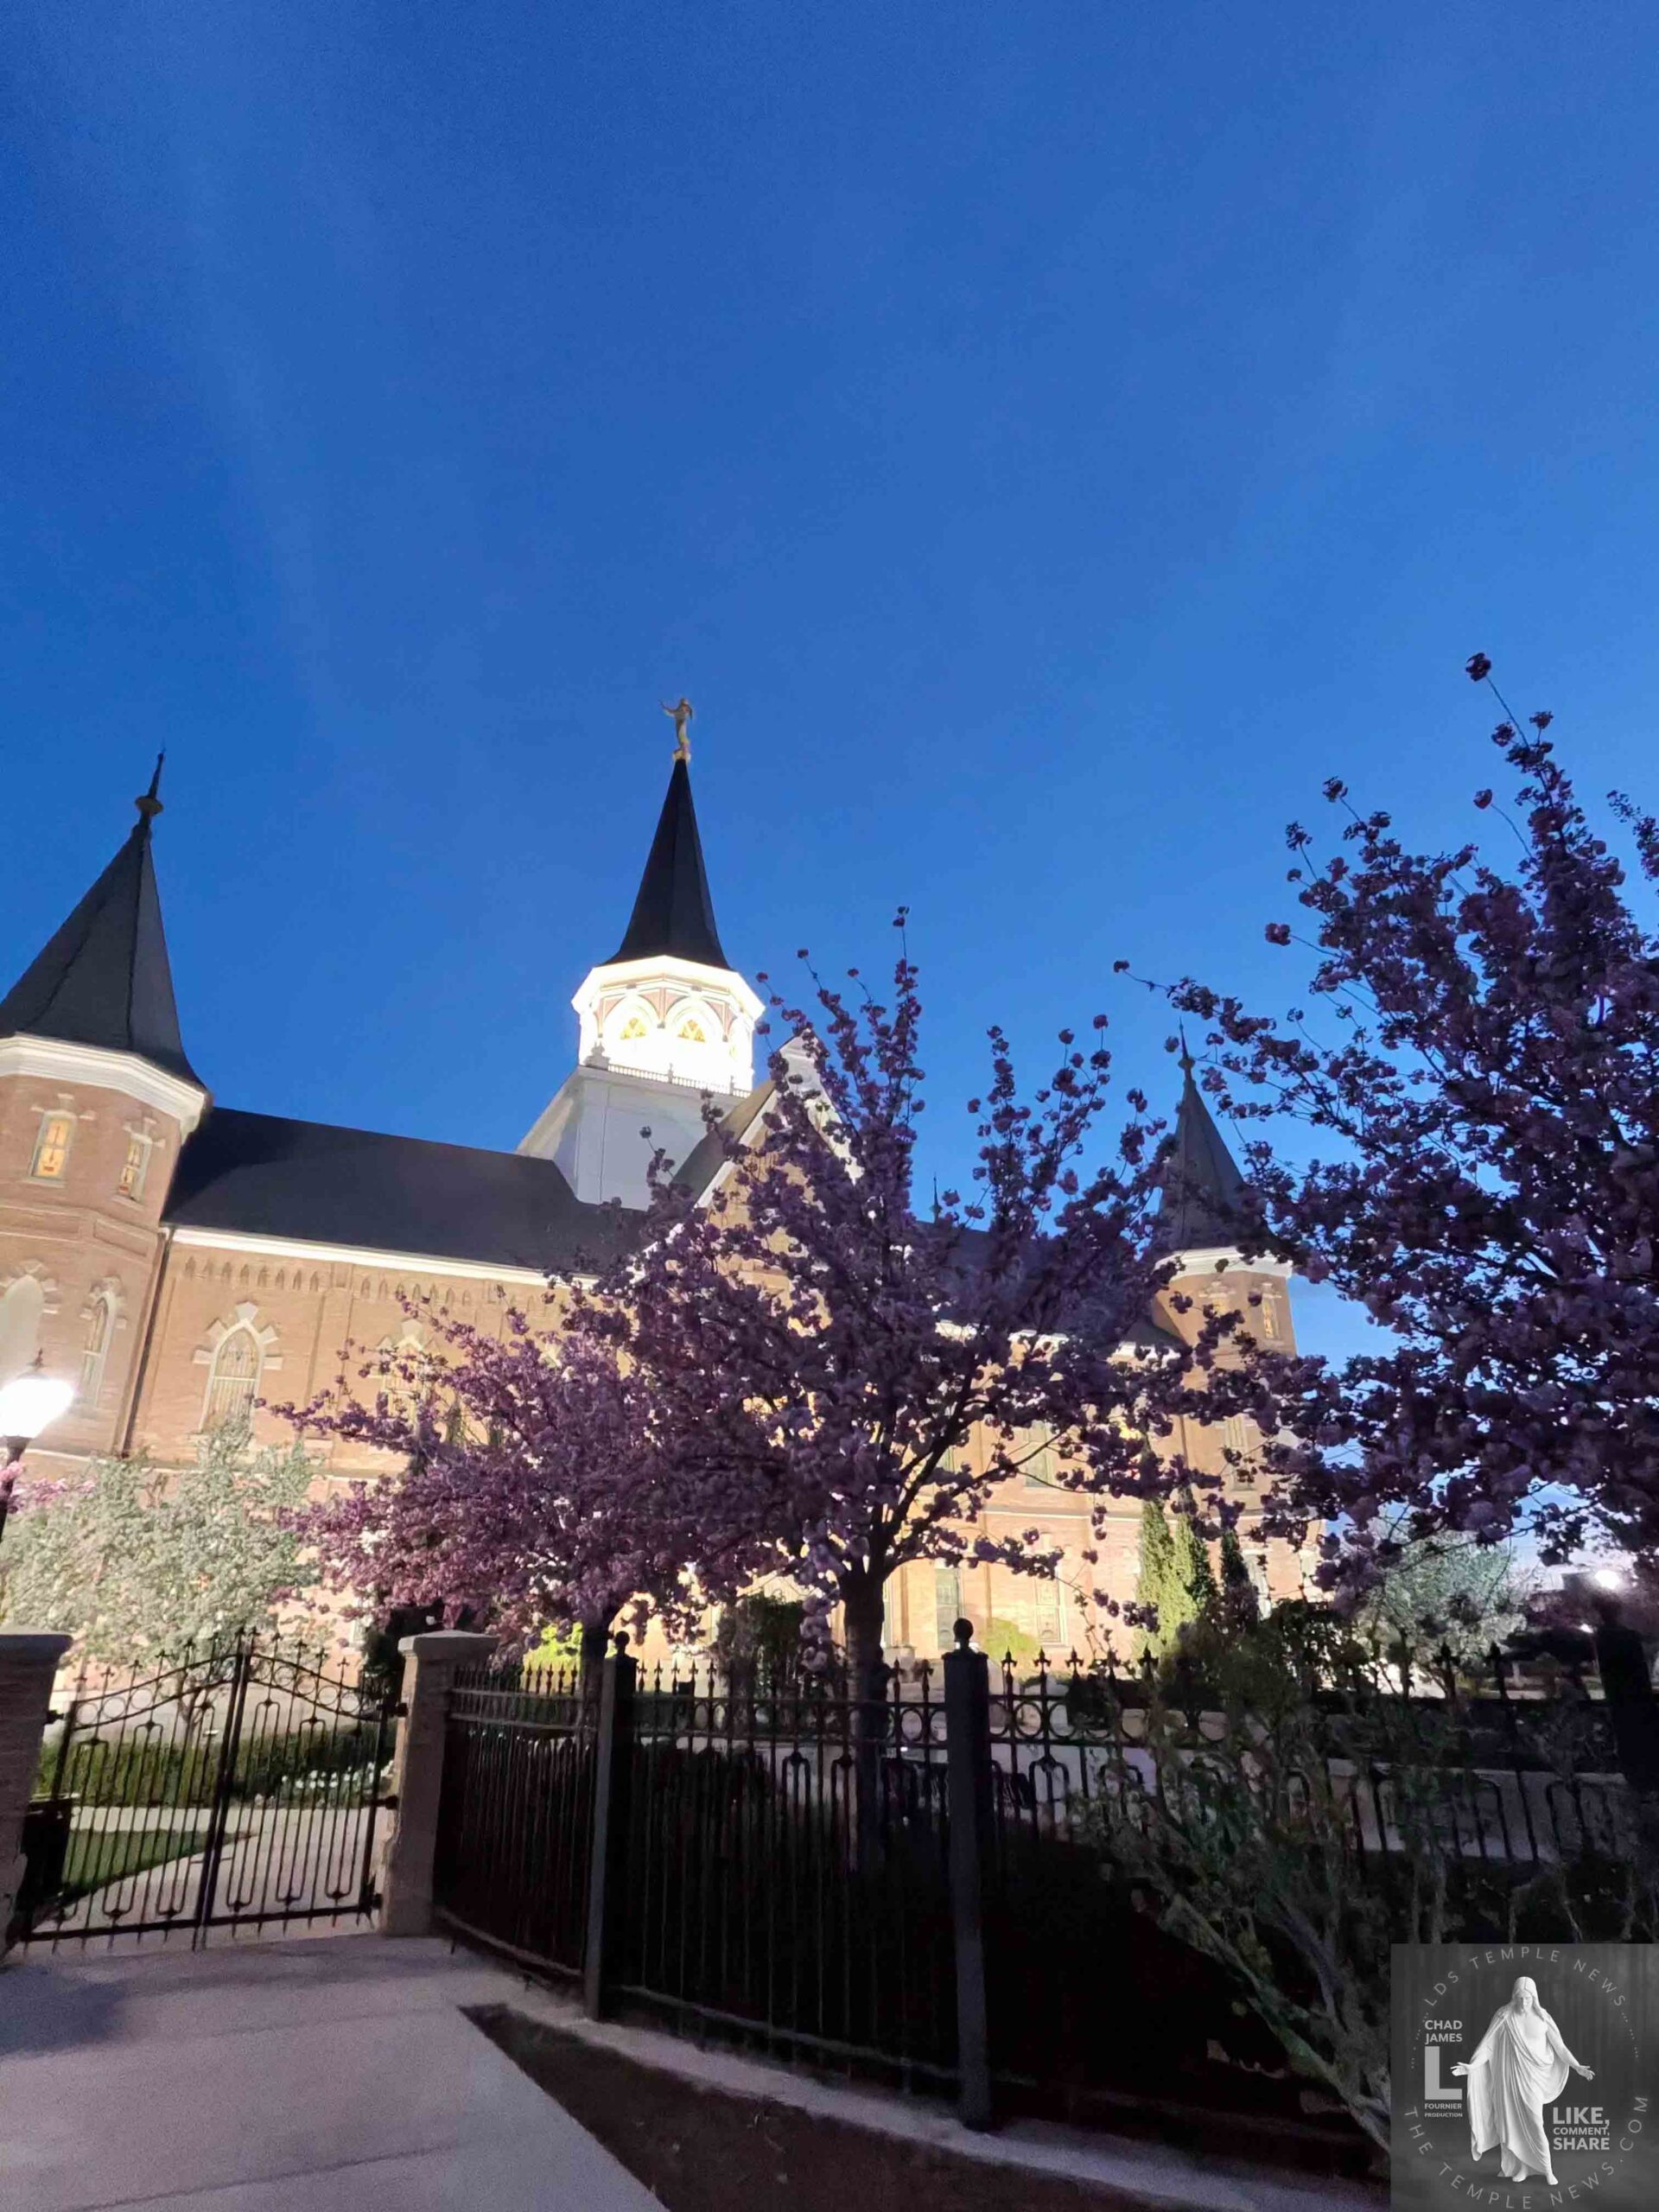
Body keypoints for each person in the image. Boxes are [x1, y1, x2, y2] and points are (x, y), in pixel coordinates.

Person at [1452, 1976, 1594, 2186]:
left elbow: (1560, 2048)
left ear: (1534, 1998)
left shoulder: (1543, 2018)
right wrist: (1471, 2067)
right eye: (1520, 1998)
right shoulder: (1504, 2017)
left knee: (1536, 2123)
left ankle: (1547, 2169)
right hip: (1509, 2080)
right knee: (1513, 2124)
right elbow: (1488, 2047)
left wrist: (1577, 2066)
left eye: (1528, 1998)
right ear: (1514, 1997)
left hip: (1533, 2079)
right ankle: (1522, 2168)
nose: (1523, 2003)